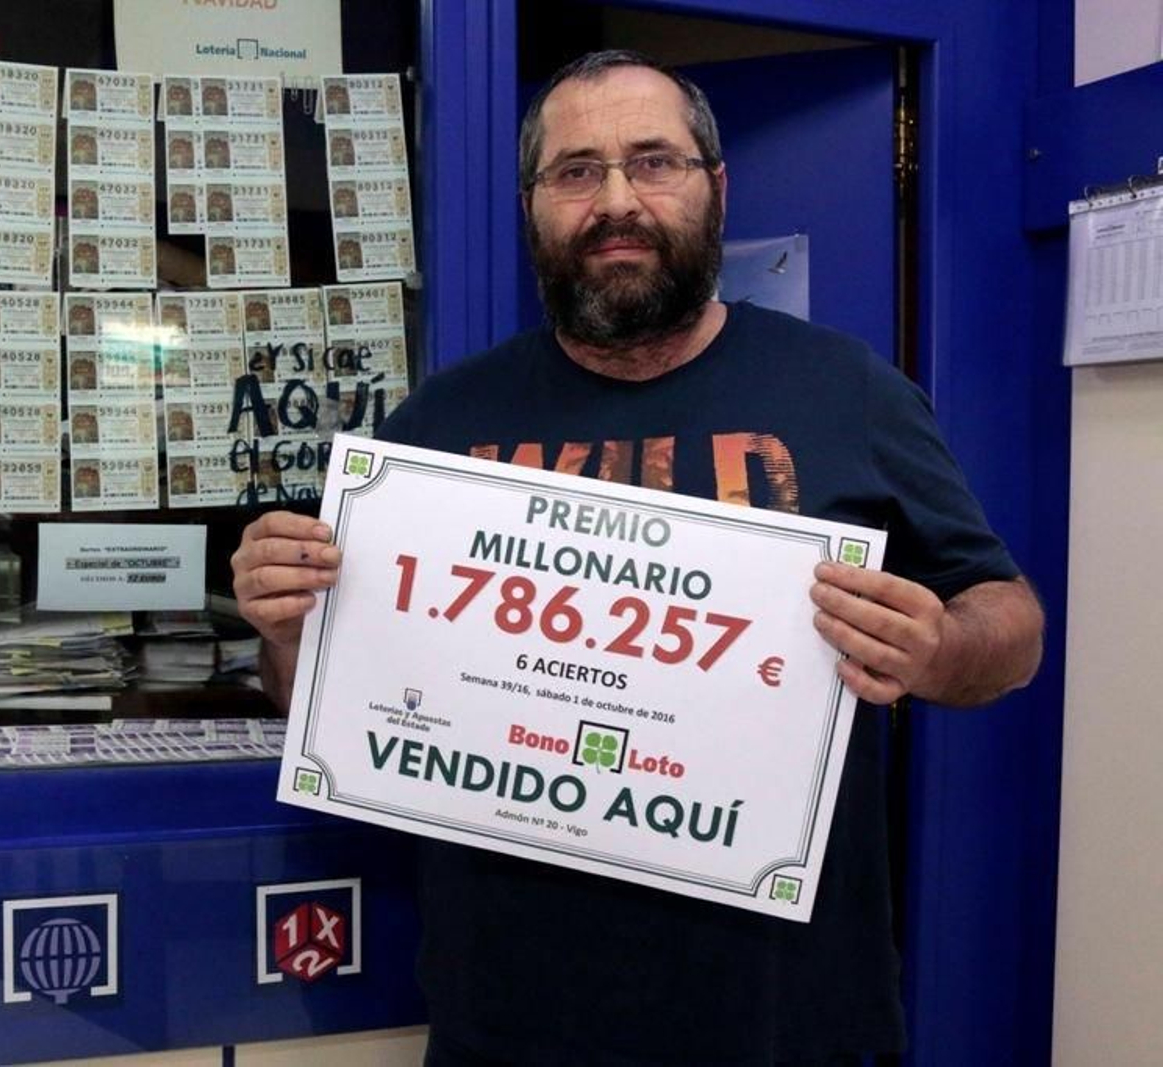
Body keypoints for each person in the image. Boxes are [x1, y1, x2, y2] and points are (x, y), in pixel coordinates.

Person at [231, 50, 1044, 1067]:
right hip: (509, 1026)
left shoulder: (847, 391)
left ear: (715, 186)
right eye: (576, 171)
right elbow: (315, 692)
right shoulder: (440, 424)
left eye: (653, 161)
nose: (616, 199)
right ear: (532, 207)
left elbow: (1009, 623)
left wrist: (936, 648)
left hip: (786, 1023)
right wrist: (287, 630)